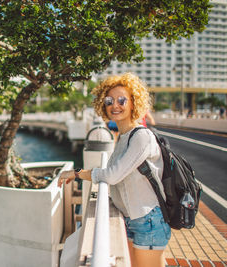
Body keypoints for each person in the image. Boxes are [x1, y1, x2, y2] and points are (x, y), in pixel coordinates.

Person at [58, 73, 170, 267]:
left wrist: (77, 173)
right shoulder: (123, 138)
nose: (114, 105)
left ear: (134, 103)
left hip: (148, 220)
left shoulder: (141, 137)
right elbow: (115, 175)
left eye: (121, 100)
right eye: (109, 100)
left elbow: (111, 175)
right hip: (132, 217)